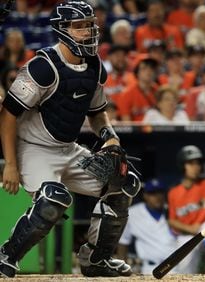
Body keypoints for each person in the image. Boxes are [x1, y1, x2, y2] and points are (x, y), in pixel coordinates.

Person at [0, 1, 140, 278]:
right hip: (33, 148)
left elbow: (98, 113)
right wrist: (11, 164)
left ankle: (95, 260)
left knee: (125, 182)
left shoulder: (95, 65)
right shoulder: (42, 67)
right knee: (54, 199)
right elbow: (7, 115)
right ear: (62, 30)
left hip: (68, 148)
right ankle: (8, 255)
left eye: (90, 24)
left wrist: (109, 138)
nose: (87, 31)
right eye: (79, 26)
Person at [168, 145, 205, 273]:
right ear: (183, 166)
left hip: (203, 230)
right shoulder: (174, 192)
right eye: (191, 163)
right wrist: (190, 229)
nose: (195, 167)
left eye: (198, 163)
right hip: (185, 237)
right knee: (185, 274)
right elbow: (172, 221)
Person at [117, 178, 179, 274]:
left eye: (160, 192)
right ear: (145, 195)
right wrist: (122, 270)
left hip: (177, 267)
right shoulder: (133, 213)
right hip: (150, 269)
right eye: (152, 193)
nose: (157, 196)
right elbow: (123, 242)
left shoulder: (172, 210)